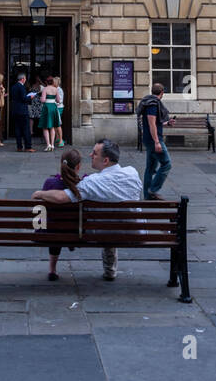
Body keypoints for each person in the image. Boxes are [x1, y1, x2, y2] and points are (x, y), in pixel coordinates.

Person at [32, 139, 141, 281]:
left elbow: (61, 197)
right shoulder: (132, 172)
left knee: (107, 222)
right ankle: (110, 270)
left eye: (95, 153)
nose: (90, 155)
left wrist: (39, 194)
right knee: (113, 219)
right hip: (134, 230)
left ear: (106, 160)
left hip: (103, 232)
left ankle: (109, 269)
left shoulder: (92, 182)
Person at [39, 148, 82, 280]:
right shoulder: (83, 184)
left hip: (52, 231)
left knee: (53, 224)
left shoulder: (50, 183)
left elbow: (40, 209)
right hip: (76, 232)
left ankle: (52, 269)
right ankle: (70, 241)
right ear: (78, 167)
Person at [138, 82, 175, 200]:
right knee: (166, 163)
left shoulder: (150, 102)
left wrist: (167, 123)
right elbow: (151, 123)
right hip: (153, 140)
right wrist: (157, 142)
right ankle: (153, 189)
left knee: (150, 167)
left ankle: (148, 196)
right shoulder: (153, 104)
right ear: (162, 92)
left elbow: (156, 123)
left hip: (150, 139)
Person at [9, 72, 33, 152]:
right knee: (26, 129)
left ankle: (19, 147)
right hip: (22, 111)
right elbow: (24, 99)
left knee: (17, 129)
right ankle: (28, 147)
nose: (25, 80)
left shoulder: (13, 86)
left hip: (15, 110)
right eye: (25, 78)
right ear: (22, 79)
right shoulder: (21, 87)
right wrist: (30, 97)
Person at [40, 77, 61, 152]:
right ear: (52, 82)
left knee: (45, 127)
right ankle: (52, 145)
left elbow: (42, 100)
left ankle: (48, 145)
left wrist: (41, 99)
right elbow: (58, 100)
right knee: (52, 127)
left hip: (47, 107)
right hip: (53, 107)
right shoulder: (56, 89)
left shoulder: (45, 89)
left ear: (46, 82)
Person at [53, 78, 66, 148]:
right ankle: (57, 138)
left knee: (58, 124)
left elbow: (60, 101)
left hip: (59, 108)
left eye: (53, 82)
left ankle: (61, 141)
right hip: (55, 107)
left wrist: (52, 102)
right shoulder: (55, 89)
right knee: (55, 123)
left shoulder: (59, 90)